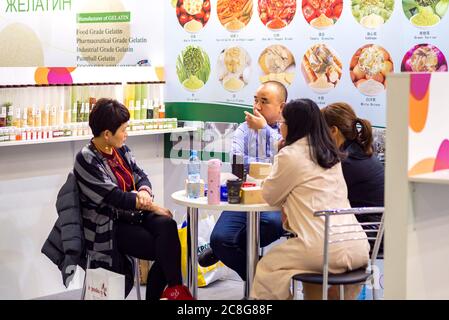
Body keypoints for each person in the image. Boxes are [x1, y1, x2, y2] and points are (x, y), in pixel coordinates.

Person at [73, 98, 193, 300]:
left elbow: (140, 175)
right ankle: (174, 292)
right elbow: (114, 197)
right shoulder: (86, 158)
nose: (127, 134)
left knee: (168, 226)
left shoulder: (120, 149)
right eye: (123, 130)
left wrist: (144, 191)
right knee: (166, 249)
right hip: (108, 224)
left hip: (134, 214)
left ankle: (174, 289)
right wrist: (153, 206)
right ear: (107, 134)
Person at [251, 99, 370, 300]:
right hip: (358, 246)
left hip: (322, 248)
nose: (280, 128)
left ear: (292, 125)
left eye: (282, 123)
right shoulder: (331, 154)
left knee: (267, 268)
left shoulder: (290, 154)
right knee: (307, 266)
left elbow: (270, 195)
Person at [204, 81, 287, 283]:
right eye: (255, 100)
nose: (256, 107)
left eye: (264, 102)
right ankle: (263, 286)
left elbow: (290, 156)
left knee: (269, 226)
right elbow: (237, 164)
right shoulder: (243, 129)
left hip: (276, 202)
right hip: (245, 197)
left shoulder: (290, 130)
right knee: (219, 239)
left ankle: (222, 252)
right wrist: (267, 164)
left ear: (282, 107)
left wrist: (266, 129)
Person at [321, 102, 384, 254]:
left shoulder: (346, 162)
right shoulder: (359, 152)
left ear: (334, 131)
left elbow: (322, 196)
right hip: (377, 231)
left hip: (367, 234)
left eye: (321, 131)